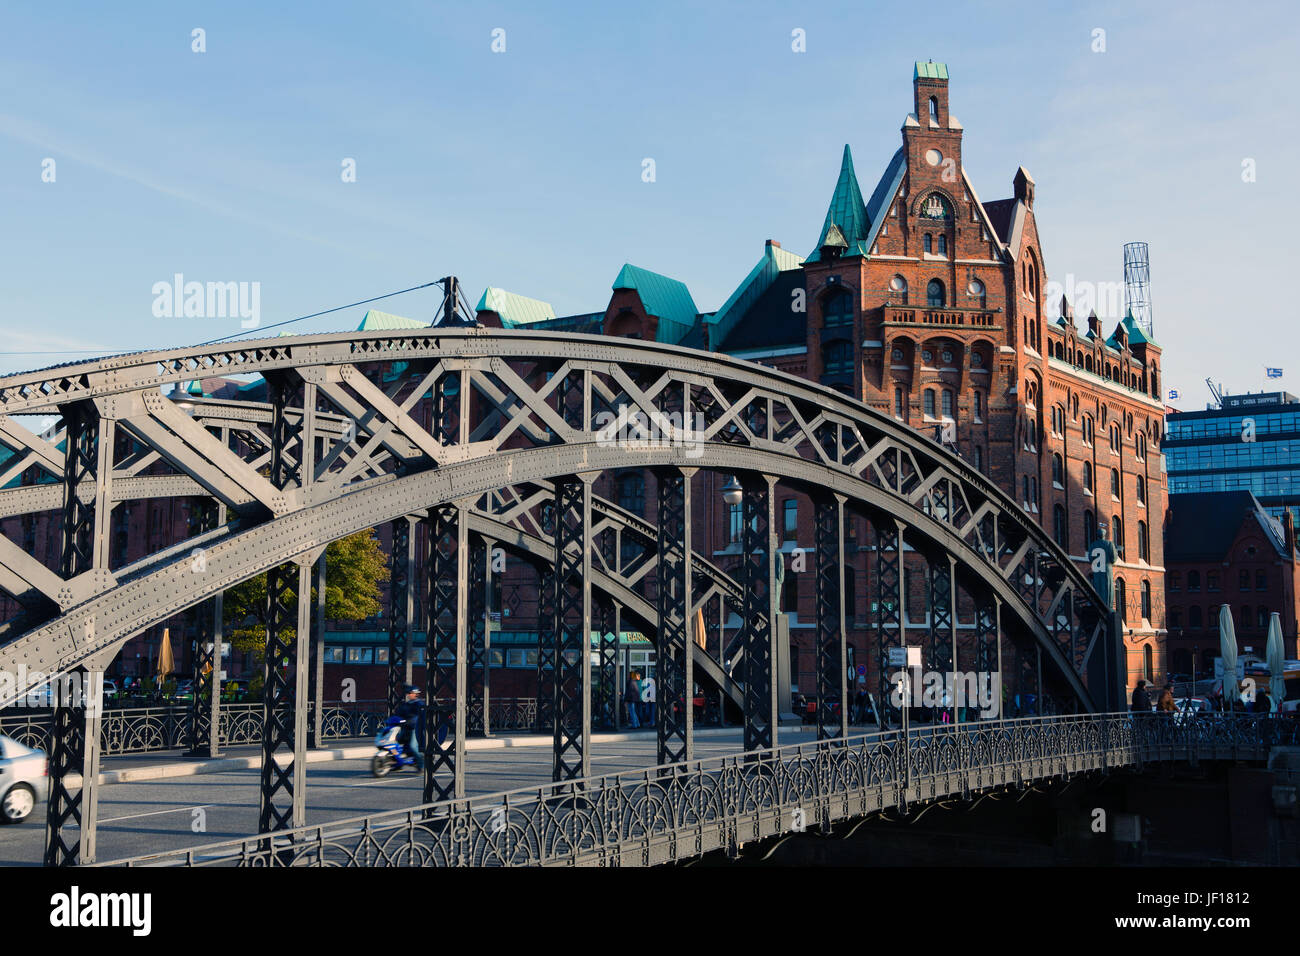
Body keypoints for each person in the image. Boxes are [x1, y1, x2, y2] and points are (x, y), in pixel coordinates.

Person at [394, 685, 426, 770]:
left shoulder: (419, 704)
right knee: (397, 744)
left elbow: (419, 716)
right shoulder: (406, 704)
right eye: (408, 693)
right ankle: (397, 764)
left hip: (414, 728)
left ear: (416, 694)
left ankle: (421, 765)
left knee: (413, 746)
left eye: (411, 693)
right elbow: (398, 713)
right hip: (404, 727)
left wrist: (411, 720)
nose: (409, 694)